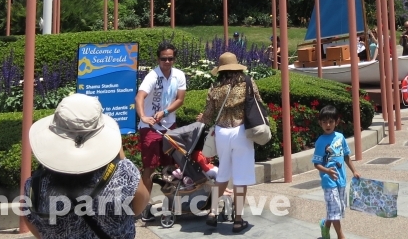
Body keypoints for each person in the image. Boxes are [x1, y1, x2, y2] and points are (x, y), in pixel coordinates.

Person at [26, 93, 151, 239]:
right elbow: (138, 207)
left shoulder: (36, 185)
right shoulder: (124, 175)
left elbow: (31, 222)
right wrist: (120, 155)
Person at [196, 52, 258, 231]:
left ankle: (213, 212)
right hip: (241, 132)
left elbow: (208, 115)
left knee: (223, 173)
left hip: (221, 132)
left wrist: (201, 118)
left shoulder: (215, 87)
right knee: (240, 178)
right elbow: (258, 104)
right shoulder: (247, 83)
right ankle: (238, 220)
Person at [135, 41, 187, 194]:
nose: (167, 62)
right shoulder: (152, 76)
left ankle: (169, 201)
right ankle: (144, 205)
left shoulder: (179, 75)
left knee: (169, 167)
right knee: (150, 167)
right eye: (164, 58)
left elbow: (180, 99)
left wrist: (165, 112)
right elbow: (139, 97)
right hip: (150, 127)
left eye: (170, 59)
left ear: (174, 59)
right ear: (158, 59)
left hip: (168, 126)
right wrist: (143, 116)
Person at [313, 105, 360, 239]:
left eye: (331, 122)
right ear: (320, 123)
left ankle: (325, 225)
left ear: (336, 122)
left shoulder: (340, 137)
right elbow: (316, 163)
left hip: (341, 180)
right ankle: (341, 236)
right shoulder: (320, 142)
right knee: (335, 210)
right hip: (329, 182)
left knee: (336, 210)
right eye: (324, 122)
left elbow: (346, 156)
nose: (328, 125)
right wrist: (327, 171)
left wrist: (354, 171)